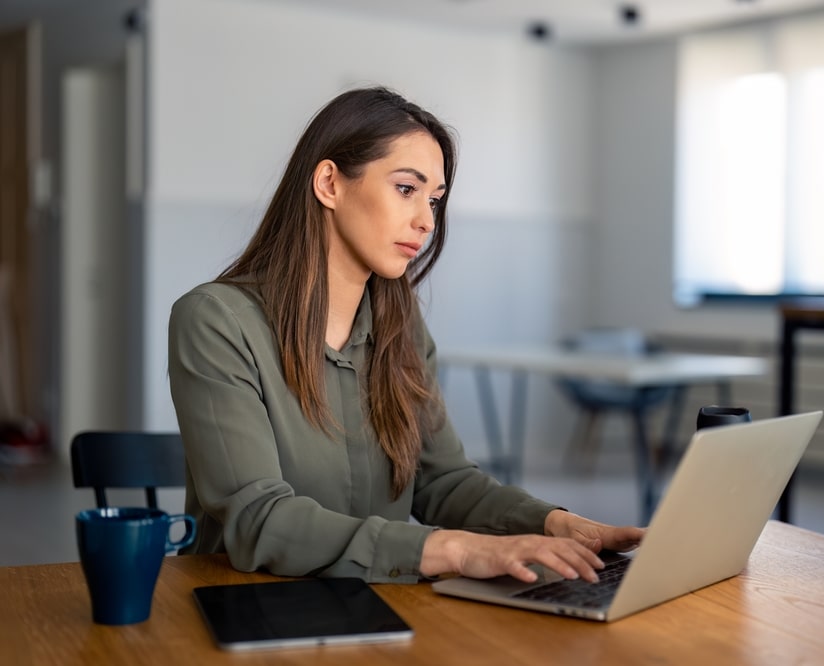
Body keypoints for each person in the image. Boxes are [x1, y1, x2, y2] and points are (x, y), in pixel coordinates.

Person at [168, 86, 644, 585]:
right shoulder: (216, 320)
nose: (425, 221)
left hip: (377, 607)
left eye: (434, 200)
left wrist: (556, 524)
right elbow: (259, 519)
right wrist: (456, 550)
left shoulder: (402, 329)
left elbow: (444, 481)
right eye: (406, 189)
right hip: (242, 609)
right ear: (330, 183)